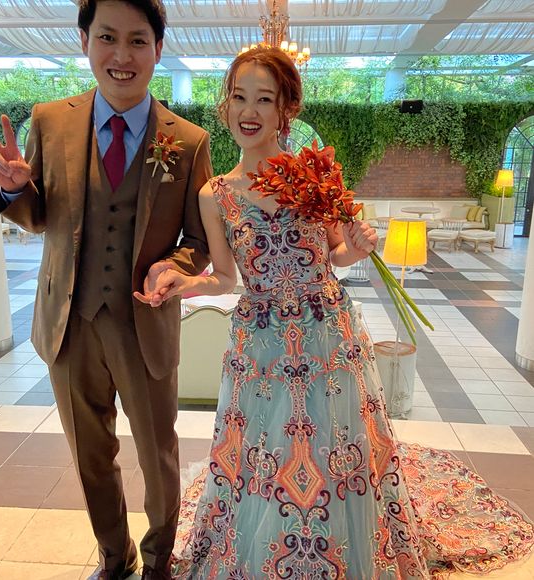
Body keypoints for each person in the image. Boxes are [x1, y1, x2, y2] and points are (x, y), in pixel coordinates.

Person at [146, 46, 534, 578]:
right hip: (260, 345)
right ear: (225, 105)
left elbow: (336, 255)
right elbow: (225, 278)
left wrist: (359, 245)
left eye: (265, 99)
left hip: (327, 333)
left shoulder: (312, 178)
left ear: (287, 109)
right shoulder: (215, 195)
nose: (248, 111)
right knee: (267, 448)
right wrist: (183, 285)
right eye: (238, 97)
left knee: (334, 445)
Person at [0, 1, 212, 578]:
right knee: (89, 455)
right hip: (68, 322)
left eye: (138, 40)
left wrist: (173, 267)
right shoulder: (50, 121)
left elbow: (200, 239)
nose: (122, 55)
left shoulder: (188, 141)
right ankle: (113, 555)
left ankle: (158, 559)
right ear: (84, 41)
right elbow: (39, 216)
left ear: (158, 49)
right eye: (107, 37)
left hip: (143, 325)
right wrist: (15, 191)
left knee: (157, 454)